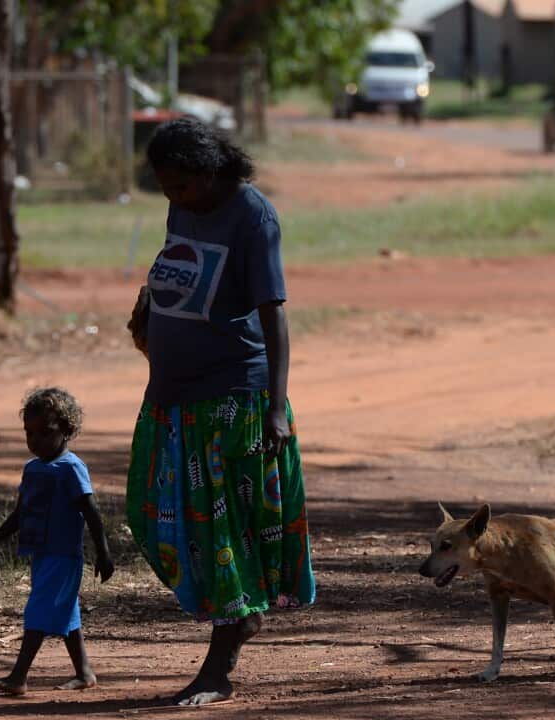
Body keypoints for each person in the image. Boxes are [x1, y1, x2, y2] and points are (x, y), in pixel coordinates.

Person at [126, 117, 316, 706]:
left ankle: (221, 659)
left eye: (182, 185)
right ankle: (236, 621)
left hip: (233, 398)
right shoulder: (182, 207)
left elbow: (273, 312)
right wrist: (145, 310)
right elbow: (175, 268)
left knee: (220, 532)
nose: (174, 198)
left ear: (211, 171)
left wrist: (277, 407)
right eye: (165, 187)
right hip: (171, 394)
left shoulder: (252, 215)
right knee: (151, 511)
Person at [0, 387, 115, 696]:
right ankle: (84, 673)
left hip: (63, 555)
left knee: (38, 610)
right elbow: (21, 513)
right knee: (66, 614)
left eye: (44, 432)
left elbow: (90, 511)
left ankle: (18, 676)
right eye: (29, 433)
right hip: (41, 553)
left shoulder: (72, 468)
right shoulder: (32, 469)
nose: (34, 440)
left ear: (66, 430)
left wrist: (103, 552)